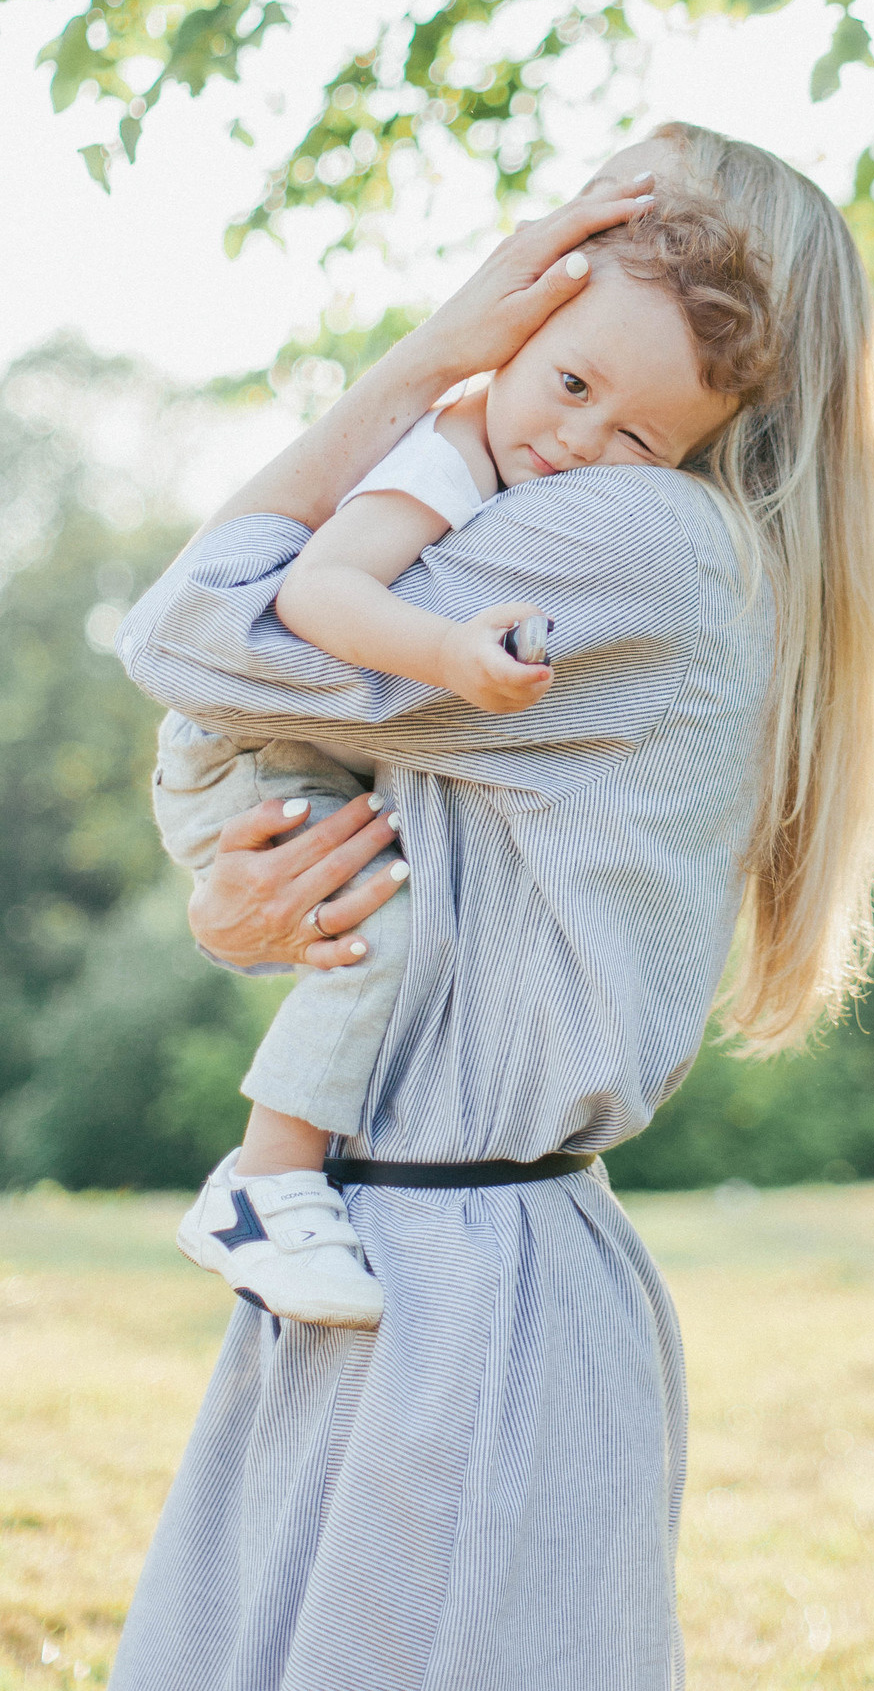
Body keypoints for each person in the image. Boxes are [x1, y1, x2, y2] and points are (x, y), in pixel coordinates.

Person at [110, 123, 874, 1691]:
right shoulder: (606, 508)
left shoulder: (628, 534)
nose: (543, 245)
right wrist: (240, 904)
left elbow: (190, 630)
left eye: (589, 218)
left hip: (462, 1286)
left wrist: (433, 352)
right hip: (390, 1242)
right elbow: (366, 807)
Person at [158, 191, 774, 1330]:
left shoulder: (561, 494)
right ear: (513, 338)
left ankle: (276, 1180)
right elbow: (316, 592)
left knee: (372, 918)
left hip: (302, 747)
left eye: (638, 441)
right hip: (249, 750)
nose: (580, 441)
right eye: (573, 384)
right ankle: (262, 1186)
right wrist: (448, 652)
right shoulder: (446, 455)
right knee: (378, 935)